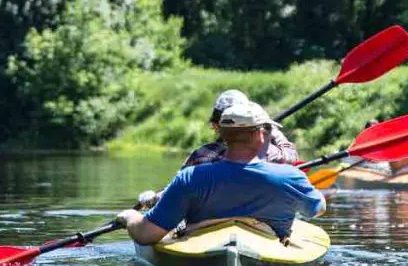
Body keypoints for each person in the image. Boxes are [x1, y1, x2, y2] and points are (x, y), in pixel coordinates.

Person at [118, 101, 326, 245]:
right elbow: (317, 209)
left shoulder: (190, 177)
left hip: (201, 264)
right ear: (260, 137)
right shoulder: (290, 176)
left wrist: (130, 217)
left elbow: (146, 235)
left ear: (223, 135)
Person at [181, 89, 299, 168]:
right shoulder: (269, 153)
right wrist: (271, 130)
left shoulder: (200, 155)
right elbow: (291, 156)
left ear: (215, 125)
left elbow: (174, 188)